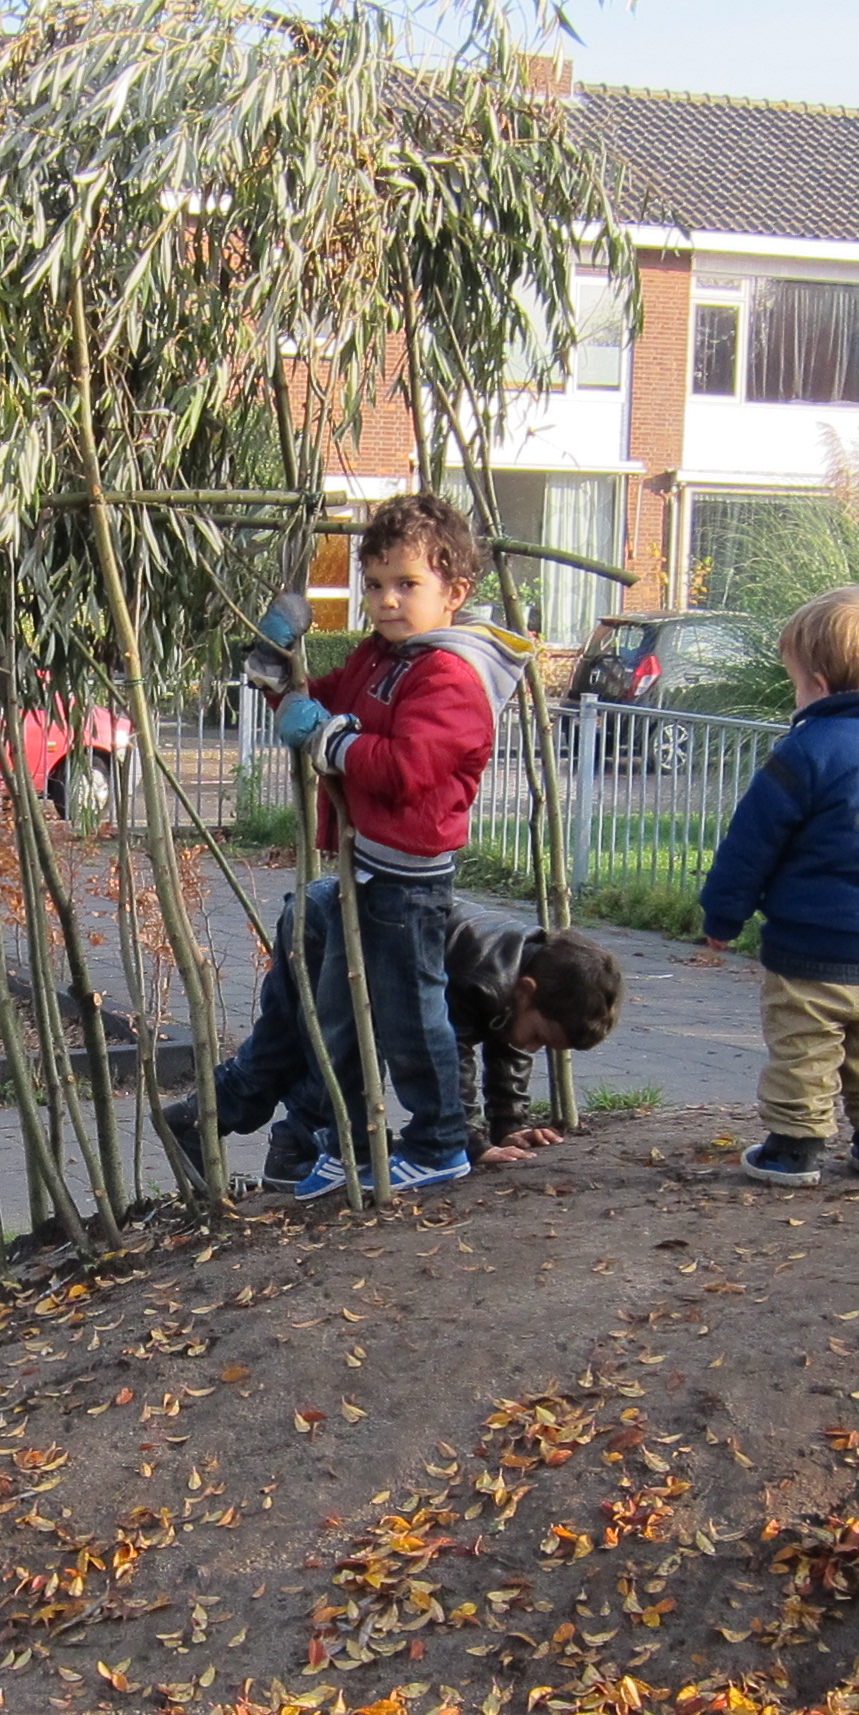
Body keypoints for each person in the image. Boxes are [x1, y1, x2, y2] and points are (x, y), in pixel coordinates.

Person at [265, 492, 523, 1197]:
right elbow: (317, 697)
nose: (385, 601)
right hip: (363, 869)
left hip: (408, 882)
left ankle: (439, 1141)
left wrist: (327, 737)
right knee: (343, 1014)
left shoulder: (451, 676)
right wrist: (275, 671)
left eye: (407, 585)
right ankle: (348, 1142)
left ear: (455, 592)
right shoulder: (382, 657)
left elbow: (408, 768)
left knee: (412, 1017)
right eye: (374, 585)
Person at [692, 586, 859, 1187]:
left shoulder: (807, 750)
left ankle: (795, 1146)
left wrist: (723, 916)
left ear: (816, 681)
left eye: (794, 682)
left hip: (806, 942)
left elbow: (752, 842)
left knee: (803, 1045)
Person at [165, 913, 626, 1190]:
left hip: (337, 924)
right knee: (329, 1048)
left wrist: (509, 1127)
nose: (533, 1048)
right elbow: (450, 1057)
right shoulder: (480, 974)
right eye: (541, 1037)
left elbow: (509, 1046)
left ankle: (198, 1118)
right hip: (332, 930)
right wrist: (471, 1140)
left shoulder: (527, 975)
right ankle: (297, 1146)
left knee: (279, 1047)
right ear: (525, 991)